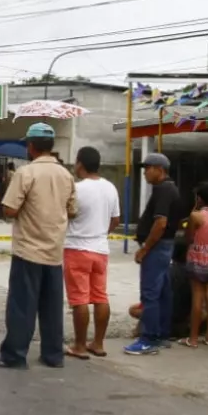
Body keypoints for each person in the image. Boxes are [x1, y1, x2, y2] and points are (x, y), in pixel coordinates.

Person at [0, 123, 77, 370]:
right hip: (54, 252)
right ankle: (53, 355)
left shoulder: (25, 174)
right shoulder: (66, 175)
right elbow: (72, 211)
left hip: (28, 250)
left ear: (31, 146)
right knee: (51, 308)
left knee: (21, 306)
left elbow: (11, 209)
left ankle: (14, 355)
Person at [62, 146, 120, 360]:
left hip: (77, 249)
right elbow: (115, 220)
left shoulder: (77, 189)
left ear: (80, 164)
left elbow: (65, 214)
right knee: (100, 297)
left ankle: (79, 346)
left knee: (79, 299)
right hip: (100, 250)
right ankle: (98, 343)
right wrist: (100, 234)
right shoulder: (111, 188)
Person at [124, 153, 185, 356]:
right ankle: (161, 335)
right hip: (163, 247)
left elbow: (160, 223)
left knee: (150, 294)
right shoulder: (168, 188)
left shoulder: (164, 190)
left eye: (148, 168)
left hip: (157, 247)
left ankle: (148, 338)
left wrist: (145, 248)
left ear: (160, 169)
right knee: (163, 292)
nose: (145, 172)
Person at [182, 183, 208, 348]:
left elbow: (189, 237)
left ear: (200, 198)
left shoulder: (196, 216)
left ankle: (193, 338)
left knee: (198, 297)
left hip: (198, 257)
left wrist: (194, 209)